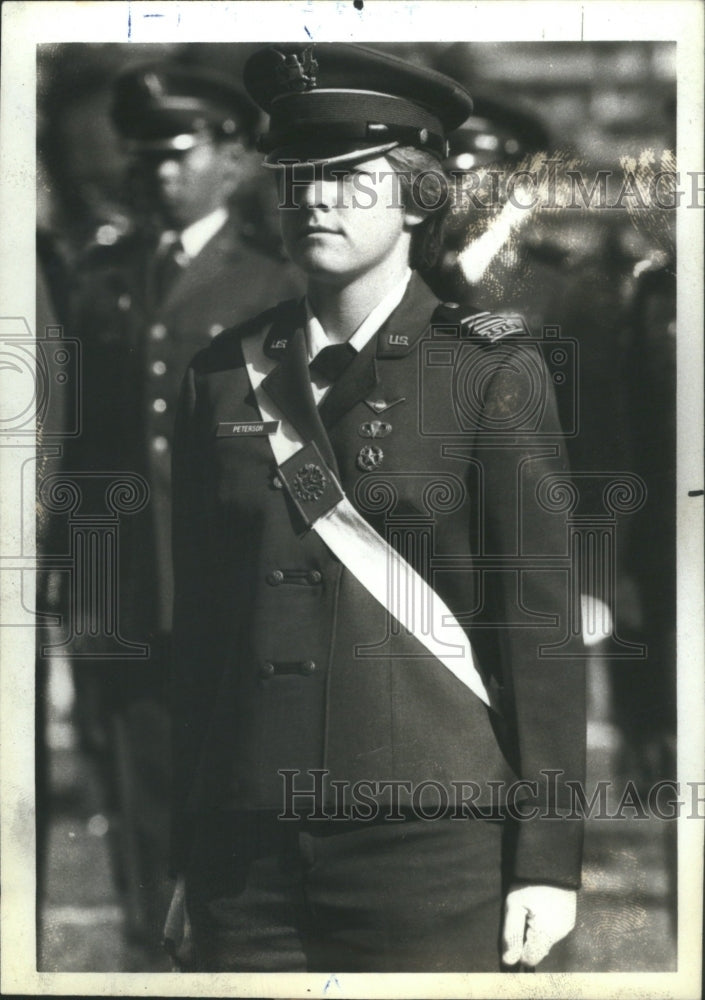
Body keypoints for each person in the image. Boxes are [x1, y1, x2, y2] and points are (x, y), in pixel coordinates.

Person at [166, 43, 585, 973]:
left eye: (350, 178)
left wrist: (548, 863)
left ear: (416, 200)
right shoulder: (219, 379)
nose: (316, 199)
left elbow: (537, 635)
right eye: (299, 176)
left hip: (428, 846)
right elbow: (198, 637)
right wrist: (185, 846)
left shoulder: (486, 371)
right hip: (247, 848)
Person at [66, 59, 302, 946]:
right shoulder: (105, 281)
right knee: (138, 791)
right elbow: (82, 448)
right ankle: (144, 955)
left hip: (228, 584)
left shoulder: (272, 282)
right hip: (124, 589)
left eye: (179, 152)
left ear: (234, 159)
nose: (160, 171)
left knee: (234, 785)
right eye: (147, 157)